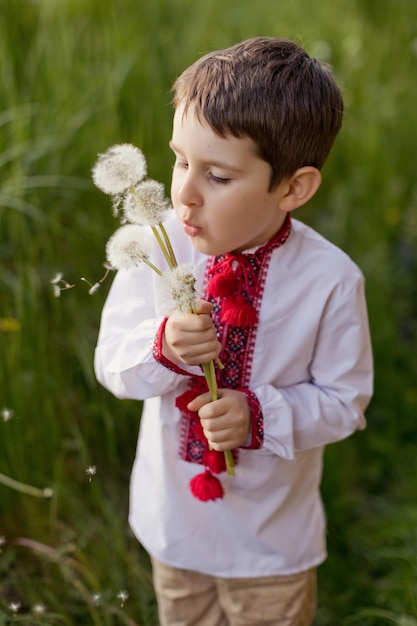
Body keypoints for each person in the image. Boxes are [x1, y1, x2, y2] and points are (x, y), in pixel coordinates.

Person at [94, 36, 373, 626]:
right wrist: (161, 346)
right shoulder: (157, 251)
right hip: (173, 528)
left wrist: (260, 415)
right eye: (179, 160)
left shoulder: (330, 281)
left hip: (272, 545)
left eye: (218, 176)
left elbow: (345, 403)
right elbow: (112, 365)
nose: (185, 195)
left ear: (293, 188)